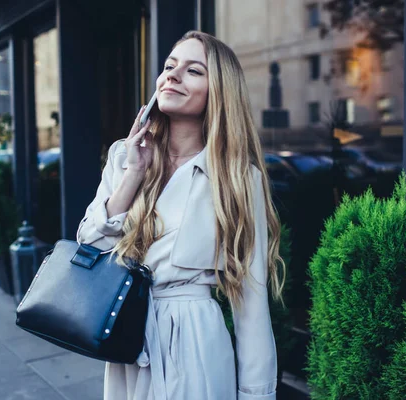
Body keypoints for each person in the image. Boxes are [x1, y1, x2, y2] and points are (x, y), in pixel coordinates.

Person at [77, 31, 286, 400]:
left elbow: (250, 301)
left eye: (193, 71)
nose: (171, 76)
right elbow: (90, 247)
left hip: (196, 344)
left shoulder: (237, 177)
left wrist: (257, 394)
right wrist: (134, 175)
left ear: (219, 91)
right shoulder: (125, 157)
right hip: (129, 339)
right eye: (169, 66)